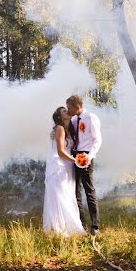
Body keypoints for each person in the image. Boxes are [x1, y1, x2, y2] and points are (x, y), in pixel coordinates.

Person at [43, 106, 86, 236]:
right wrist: (76, 161)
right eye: (64, 111)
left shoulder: (70, 128)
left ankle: (68, 226)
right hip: (59, 165)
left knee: (68, 195)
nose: (67, 111)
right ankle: (60, 228)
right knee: (60, 195)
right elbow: (61, 152)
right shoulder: (60, 129)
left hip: (67, 165)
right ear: (60, 116)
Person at [66, 95, 102, 236]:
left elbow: (97, 140)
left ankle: (95, 225)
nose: (68, 110)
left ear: (78, 107)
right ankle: (81, 223)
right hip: (74, 155)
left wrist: (89, 156)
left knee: (89, 189)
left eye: (70, 108)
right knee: (76, 191)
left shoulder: (91, 118)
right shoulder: (74, 120)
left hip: (86, 155)